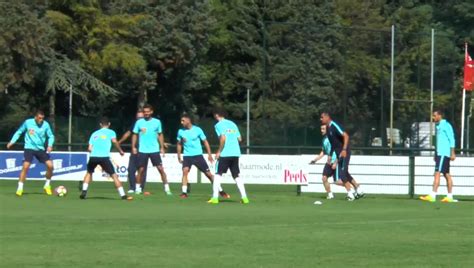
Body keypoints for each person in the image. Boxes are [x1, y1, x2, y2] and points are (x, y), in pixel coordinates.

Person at [176, 113, 230, 198]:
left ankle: (221, 190)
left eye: (183, 120)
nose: (181, 122)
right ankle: (184, 192)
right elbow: (179, 144)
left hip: (198, 156)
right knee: (185, 171)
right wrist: (179, 155)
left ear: (188, 120)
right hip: (187, 156)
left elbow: (205, 141)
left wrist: (209, 154)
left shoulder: (198, 130)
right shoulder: (180, 131)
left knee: (208, 174)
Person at [80, 117, 132, 200]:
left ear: (100, 124)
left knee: (89, 173)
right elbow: (114, 141)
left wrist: (96, 152)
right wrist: (120, 150)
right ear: (109, 124)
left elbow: (89, 148)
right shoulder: (111, 132)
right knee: (114, 176)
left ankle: (84, 191)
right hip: (104, 157)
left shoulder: (94, 133)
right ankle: (123, 195)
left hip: (93, 156)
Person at [7, 110, 55, 197]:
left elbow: (51, 136)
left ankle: (47, 185)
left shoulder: (46, 125)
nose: (41, 120)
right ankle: (20, 188)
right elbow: (19, 131)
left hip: (40, 149)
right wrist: (12, 141)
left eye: (42, 118)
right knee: (25, 166)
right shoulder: (28, 123)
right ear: (35, 117)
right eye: (39, 118)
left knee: (50, 166)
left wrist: (50, 145)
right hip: (29, 148)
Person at [320, 111, 364, 201]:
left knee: (342, 173)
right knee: (345, 173)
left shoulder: (334, 125)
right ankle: (359, 189)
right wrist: (330, 155)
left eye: (322, 117)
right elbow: (333, 145)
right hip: (339, 153)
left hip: (344, 152)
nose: (321, 119)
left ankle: (350, 194)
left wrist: (344, 150)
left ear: (327, 117)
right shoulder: (328, 129)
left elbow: (346, 136)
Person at [208, 108, 249, 204]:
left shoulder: (218, 125)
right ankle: (244, 197)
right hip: (235, 153)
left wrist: (219, 151)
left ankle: (214, 198)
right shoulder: (232, 124)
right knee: (236, 175)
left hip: (225, 153)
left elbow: (223, 138)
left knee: (218, 174)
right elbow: (239, 139)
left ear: (216, 115)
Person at [131, 104, 171, 195]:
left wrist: (162, 147)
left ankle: (167, 188)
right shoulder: (139, 122)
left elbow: (160, 134)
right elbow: (134, 134)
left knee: (160, 168)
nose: (146, 113)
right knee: (140, 170)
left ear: (151, 112)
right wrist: (133, 147)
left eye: (148, 112)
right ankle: (138, 188)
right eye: (144, 112)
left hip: (154, 150)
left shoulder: (157, 122)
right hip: (142, 150)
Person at [420, 110, 457, 203]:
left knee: (437, 173)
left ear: (440, 116)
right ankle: (450, 196)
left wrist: (452, 153)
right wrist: (435, 153)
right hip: (439, 153)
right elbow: (439, 141)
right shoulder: (438, 126)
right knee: (446, 174)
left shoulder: (446, 125)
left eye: (434, 115)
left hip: (444, 153)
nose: (433, 117)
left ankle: (433, 195)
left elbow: (451, 139)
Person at [118, 109, 149, 194]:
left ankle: (140, 188)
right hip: (135, 150)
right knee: (131, 169)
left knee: (142, 170)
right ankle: (132, 187)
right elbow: (128, 134)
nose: (139, 119)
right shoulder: (135, 124)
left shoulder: (148, 124)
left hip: (145, 150)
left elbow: (156, 134)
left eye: (141, 117)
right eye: (138, 117)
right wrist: (119, 142)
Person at [310, 125, 338, 199]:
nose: (321, 130)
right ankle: (330, 194)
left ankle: (353, 190)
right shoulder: (324, 139)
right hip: (328, 163)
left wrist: (336, 162)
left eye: (323, 129)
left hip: (335, 162)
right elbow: (323, 152)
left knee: (339, 181)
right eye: (321, 129)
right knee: (324, 178)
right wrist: (315, 160)